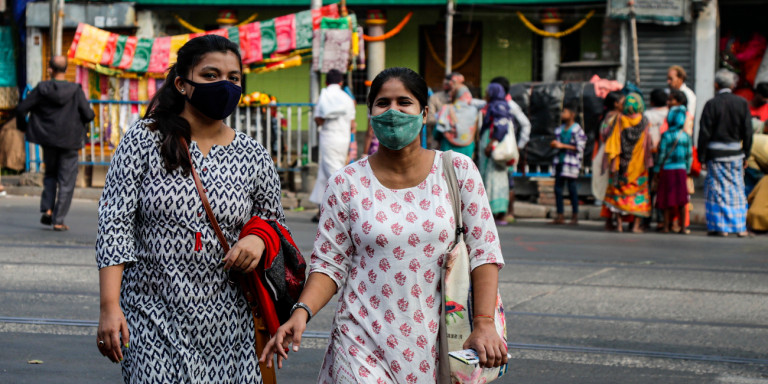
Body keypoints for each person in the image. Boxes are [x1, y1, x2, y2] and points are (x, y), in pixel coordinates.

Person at [260, 67, 507, 382]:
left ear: (425, 113)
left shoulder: (458, 171)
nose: (393, 112)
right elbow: (329, 264)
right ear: (370, 113)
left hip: (433, 344)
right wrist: (301, 312)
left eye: (404, 102)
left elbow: (484, 251)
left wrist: (484, 322)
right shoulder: (346, 183)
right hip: (359, 340)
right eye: (382, 103)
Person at [95, 35, 291, 383]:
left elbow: (274, 221)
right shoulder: (144, 139)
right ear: (183, 84)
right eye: (211, 75)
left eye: (233, 78)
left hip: (232, 324)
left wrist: (258, 241)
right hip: (152, 315)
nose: (225, 85)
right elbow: (115, 223)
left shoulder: (253, 154)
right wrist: (110, 306)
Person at [16, 56, 95, 231]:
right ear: (66, 70)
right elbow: (88, 115)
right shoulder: (75, 90)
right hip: (70, 141)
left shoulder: (42, 88)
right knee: (66, 181)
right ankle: (58, 220)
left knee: (50, 175)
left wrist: (24, 127)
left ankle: (48, 209)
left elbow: (22, 108)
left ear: (50, 69)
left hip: (48, 140)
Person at [698, 69, 753, 237]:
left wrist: (701, 156)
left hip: (715, 154)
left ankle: (720, 227)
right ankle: (740, 227)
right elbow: (748, 132)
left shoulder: (711, 104)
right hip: (736, 153)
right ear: (732, 85)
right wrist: (746, 154)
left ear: (716, 85)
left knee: (716, 190)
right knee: (737, 189)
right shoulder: (742, 103)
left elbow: (704, 133)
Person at [309, 69, 357, 222]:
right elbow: (352, 123)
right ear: (341, 82)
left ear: (326, 82)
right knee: (325, 174)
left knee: (333, 173)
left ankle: (348, 208)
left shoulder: (324, 96)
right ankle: (321, 211)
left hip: (329, 138)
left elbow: (319, 119)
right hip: (343, 139)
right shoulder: (347, 99)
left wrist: (325, 120)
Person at [602, 93, 653, 233]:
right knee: (639, 195)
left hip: (619, 165)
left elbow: (605, 135)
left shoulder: (618, 119)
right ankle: (636, 226)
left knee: (617, 195)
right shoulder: (644, 121)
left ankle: (618, 225)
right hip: (638, 166)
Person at [489, 76, 532, 224]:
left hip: (503, 148)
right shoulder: (496, 104)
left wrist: (519, 145)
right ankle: (504, 213)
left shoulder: (509, 105)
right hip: (504, 148)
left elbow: (525, 124)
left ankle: (508, 212)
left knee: (508, 179)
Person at [654, 102, 693, 234]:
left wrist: (656, 170)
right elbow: (689, 156)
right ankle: (683, 228)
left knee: (667, 199)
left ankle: (665, 226)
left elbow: (662, 154)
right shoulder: (686, 136)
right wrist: (687, 170)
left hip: (667, 170)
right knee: (682, 200)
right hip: (681, 170)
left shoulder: (666, 135)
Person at [478, 83, 512, 226]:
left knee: (493, 177)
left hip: (493, 146)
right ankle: (497, 213)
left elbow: (501, 126)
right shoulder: (500, 105)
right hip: (493, 144)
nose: (485, 95)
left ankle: (495, 213)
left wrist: (492, 143)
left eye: (487, 92)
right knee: (497, 178)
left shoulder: (497, 106)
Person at [550, 102, 587, 225]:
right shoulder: (559, 129)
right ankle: (560, 215)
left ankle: (574, 215)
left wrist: (562, 145)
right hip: (560, 162)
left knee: (572, 190)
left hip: (571, 164)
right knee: (558, 190)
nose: (562, 114)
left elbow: (580, 146)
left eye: (564, 112)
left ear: (572, 114)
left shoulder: (577, 129)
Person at [434, 72, 483, 158]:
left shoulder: (447, 109)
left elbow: (436, 133)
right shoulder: (474, 110)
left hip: (447, 151)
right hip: (467, 151)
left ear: (455, 95)